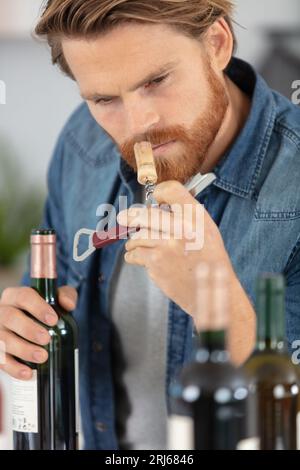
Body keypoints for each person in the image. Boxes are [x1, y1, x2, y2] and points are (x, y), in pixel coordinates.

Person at [1, 0, 300, 450]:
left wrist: (213, 301)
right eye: (104, 99)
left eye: (156, 81)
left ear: (217, 44)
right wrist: (20, 330)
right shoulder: (82, 143)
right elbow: (46, 301)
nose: (138, 125)